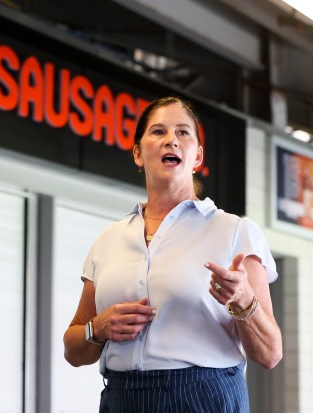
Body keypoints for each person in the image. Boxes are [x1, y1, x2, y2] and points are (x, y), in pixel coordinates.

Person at [63, 96, 282, 413]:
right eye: (158, 132)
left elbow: (270, 354)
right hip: (122, 399)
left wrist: (244, 300)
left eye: (183, 133)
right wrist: (97, 328)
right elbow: (74, 351)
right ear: (138, 153)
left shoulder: (234, 232)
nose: (171, 141)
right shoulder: (108, 240)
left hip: (206, 398)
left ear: (197, 156)